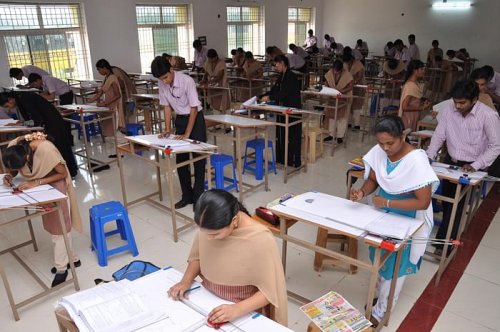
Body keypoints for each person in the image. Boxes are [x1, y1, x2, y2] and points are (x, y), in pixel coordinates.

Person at [350, 115, 439, 327]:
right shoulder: (380, 152)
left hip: (407, 218)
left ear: (403, 136)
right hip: (383, 213)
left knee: (395, 269)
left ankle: (381, 313)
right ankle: (380, 296)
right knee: (380, 258)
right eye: (381, 143)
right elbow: (373, 179)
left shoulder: (416, 160)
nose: (386, 148)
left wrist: (388, 202)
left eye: (390, 143)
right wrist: (362, 192)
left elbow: (423, 202)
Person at [167, 189, 288, 325]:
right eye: (204, 232)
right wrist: (185, 281)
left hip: (243, 309)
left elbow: (270, 292)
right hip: (206, 298)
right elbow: (198, 256)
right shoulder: (209, 226)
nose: (208, 238)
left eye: (215, 234)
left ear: (234, 221)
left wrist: (237, 309)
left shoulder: (260, 239)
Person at [426, 80, 500, 255]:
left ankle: (445, 244)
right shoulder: (449, 111)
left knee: (457, 204)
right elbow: (439, 135)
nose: (457, 106)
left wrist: (476, 165)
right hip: (451, 161)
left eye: (462, 103)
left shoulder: (488, 115)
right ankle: (446, 235)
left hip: (474, 165)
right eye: (455, 102)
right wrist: (429, 156)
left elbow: (496, 146)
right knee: (447, 200)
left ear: (474, 99)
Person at [2, 133, 82, 287]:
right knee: (56, 226)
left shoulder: (46, 149)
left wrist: (36, 181)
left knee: (59, 228)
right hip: (41, 183)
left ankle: (61, 269)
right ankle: (73, 259)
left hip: (55, 180)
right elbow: (14, 168)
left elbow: (63, 173)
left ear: (26, 158)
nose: (19, 170)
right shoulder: (14, 146)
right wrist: (10, 176)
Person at [151, 56, 207, 209]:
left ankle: (198, 199)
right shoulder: (161, 83)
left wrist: (188, 134)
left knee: (198, 159)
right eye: (160, 79)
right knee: (181, 161)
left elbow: (194, 108)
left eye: (165, 77)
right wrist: (167, 128)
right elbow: (167, 107)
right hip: (181, 120)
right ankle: (187, 196)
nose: (164, 81)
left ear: (171, 69)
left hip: (196, 121)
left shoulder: (186, 81)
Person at [0, 91, 78, 177]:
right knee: (59, 147)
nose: (9, 109)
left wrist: (22, 124)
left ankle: (68, 172)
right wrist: (22, 123)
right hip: (48, 122)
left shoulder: (25, 98)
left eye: (7, 106)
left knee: (60, 147)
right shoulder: (21, 97)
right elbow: (33, 117)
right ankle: (62, 171)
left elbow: (37, 120)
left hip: (53, 123)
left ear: (10, 99)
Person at [260, 54, 302, 168]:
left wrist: (269, 98)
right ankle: (282, 159)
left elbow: (284, 93)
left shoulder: (291, 76)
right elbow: (275, 90)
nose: (275, 67)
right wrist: (263, 95)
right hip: (283, 110)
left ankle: (293, 161)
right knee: (281, 135)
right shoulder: (281, 76)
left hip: (293, 111)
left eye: (276, 65)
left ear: (282, 63)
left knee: (292, 137)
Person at [87, 59, 124, 136]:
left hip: (112, 105)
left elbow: (118, 95)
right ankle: (108, 137)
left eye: (99, 70)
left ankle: (112, 138)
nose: (99, 72)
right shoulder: (107, 78)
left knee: (112, 128)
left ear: (104, 68)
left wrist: (105, 103)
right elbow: (101, 92)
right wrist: (90, 101)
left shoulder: (112, 78)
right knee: (107, 126)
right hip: (108, 104)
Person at [323, 59, 353, 144]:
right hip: (332, 97)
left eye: (338, 72)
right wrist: (328, 89)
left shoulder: (347, 74)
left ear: (341, 70)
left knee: (342, 118)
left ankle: (340, 136)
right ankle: (331, 134)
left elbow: (351, 86)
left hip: (343, 97)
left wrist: (341, 91)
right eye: (334, 71)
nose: (335, 73)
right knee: (332, 117)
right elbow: (326, 83)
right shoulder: (329, 73)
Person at [398, 60, 432, 132]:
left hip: (414, 115)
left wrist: (422, 102)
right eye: (421, 69)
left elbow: (413, 101)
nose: (424, 71)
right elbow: (404, 107)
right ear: (415, 71)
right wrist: (422, 108)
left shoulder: (414, 83)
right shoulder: (410, 85)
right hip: (408, 117)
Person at [343, 47, 365, 130]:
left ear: (352, 59)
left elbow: (359, 77)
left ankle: (357, 124)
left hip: (358, 87)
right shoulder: (345, 64)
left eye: (349, 61)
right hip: (349, 87)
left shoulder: (358, 64)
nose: (348, 63)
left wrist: (353, 83)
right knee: (348, 104)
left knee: (356, 105)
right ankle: (348, 122)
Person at [202, 49, 230, 113]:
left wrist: (209, 82)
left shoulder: (221, 62)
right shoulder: (208, 62)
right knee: (214, 102)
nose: (210, 61)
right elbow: (206, 72)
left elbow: (219, 76)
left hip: (221, 84)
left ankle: (225, 117)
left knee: (222, 103)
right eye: (209, 59)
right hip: (212, 85)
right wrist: (204, 79)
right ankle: (216, 117)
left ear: (215, 57)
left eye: (212, 59)